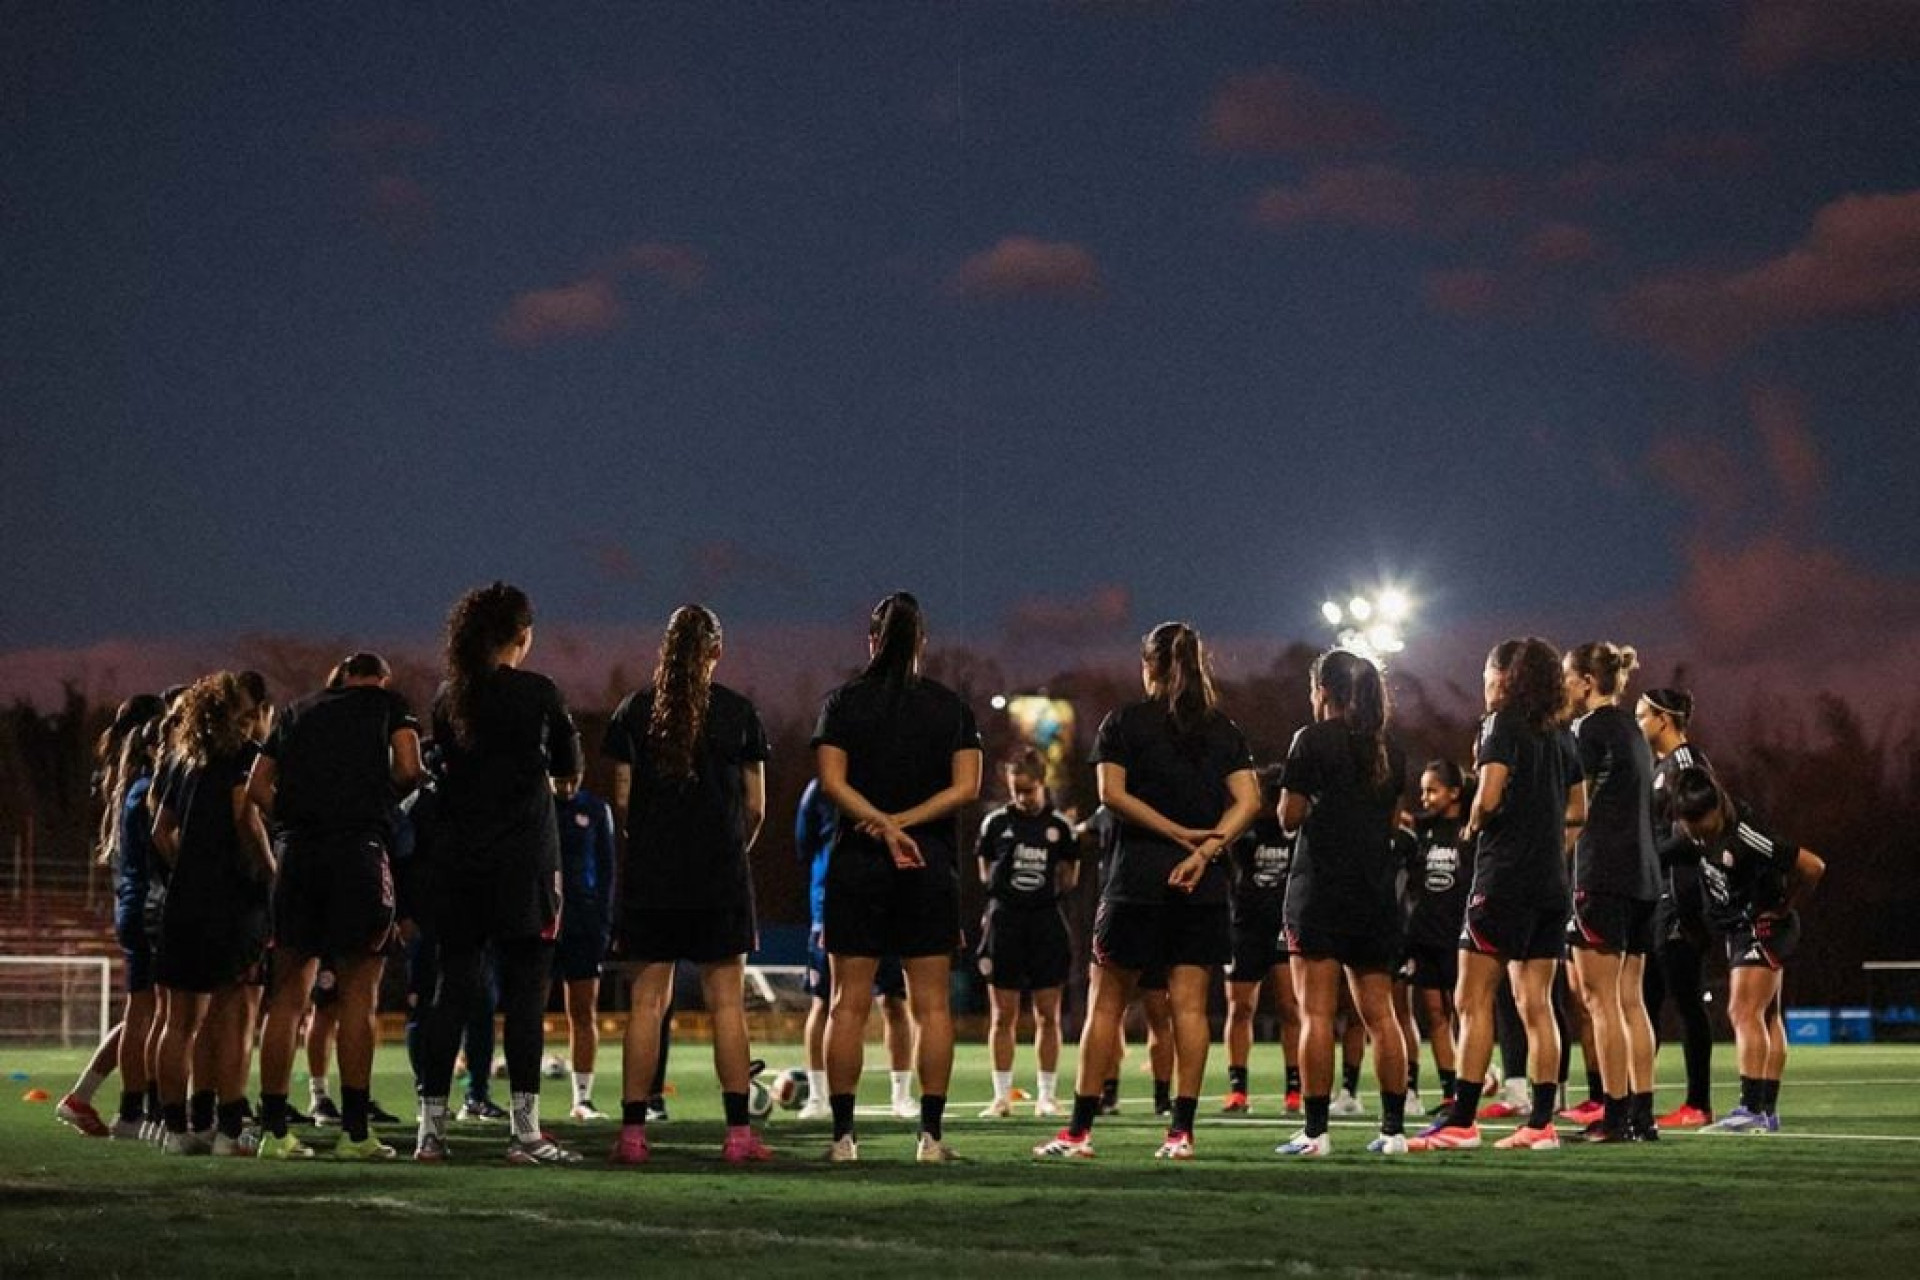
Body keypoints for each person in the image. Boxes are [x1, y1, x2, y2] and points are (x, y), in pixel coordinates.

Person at [1036, 621, 1259, 1161]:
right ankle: (1180, 1134)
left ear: (1150, 665)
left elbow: (1109, 794)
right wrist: (1203, 850)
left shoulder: (1124, 723)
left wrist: (1172, 834)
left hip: (1135, 879)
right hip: (1200, 882)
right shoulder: (1223, 729)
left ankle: (1078, 1133)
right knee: (1189, 1010)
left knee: (1105, 1007)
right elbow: (1249, 803)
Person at [414, 582, 583, 1165]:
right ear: (522, 635)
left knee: (451, 994)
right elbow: (569, 769)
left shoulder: (447, 696)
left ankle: (429, 1134)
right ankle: (525, 1133)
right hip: (524, 864)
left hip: (460, 865)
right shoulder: (538, 692)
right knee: (526, 1000)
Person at [814, 592, 983, 1163]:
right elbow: (967, 787)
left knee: (847, 1004)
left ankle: (843, 1139)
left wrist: (882, 824)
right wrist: (906, 824)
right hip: (927, 862)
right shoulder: (949, 707)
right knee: (931, 1006)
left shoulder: (843, 703)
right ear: (921, 645)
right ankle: (930, 1139)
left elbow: (832, 783)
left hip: (858, 863)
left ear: (871, 640)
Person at [603, 604, 774, 1166]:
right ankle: (737, 1135)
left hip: (653, 875)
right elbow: (756, 808)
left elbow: (624, 801)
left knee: (647, 1005)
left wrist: (656, 845)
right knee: (728, 1006)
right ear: (716, 652)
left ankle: (632, 1135)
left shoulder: (633, 712)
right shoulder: (739, 712)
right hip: (720, 875)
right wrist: (728, 852)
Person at [248, 651, 421, 1160]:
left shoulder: (298, 709)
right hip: (357, 852)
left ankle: (275, 1131)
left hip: (297, 854)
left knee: (287, 996)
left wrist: (296, 818)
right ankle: (354, 1132)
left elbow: (258, 786)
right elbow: (410, 768)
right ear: (380, 679)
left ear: (340, 678)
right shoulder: (390, 704)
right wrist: (374, 802)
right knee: (358, 997)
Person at [1413, 637, 1584, 1152]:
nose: (1484, 683)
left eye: (1488, 673)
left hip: (1503, 878)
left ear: (1504, 678)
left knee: (1471, 997)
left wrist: (1472, 825)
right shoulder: (1562, 734)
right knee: (1537, 1005)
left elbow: (1486, 796)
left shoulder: (1500, 723)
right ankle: (1541, 1123)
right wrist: (1550, 848)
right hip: (1551, 883)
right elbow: (1579, 811)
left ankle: (1462, 1121)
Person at [1274, 649, 1411, 1157]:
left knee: (1316, 1015)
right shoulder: (1391, 748)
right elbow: (1394, 823)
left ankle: (1315, 1134)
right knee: (1382, 1016)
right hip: (1375, 894)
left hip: (1321, 892)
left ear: (1324, 691)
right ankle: (1394, 1132)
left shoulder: (1311, 740)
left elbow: (1288, 818)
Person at [151, 672, 275, 1156]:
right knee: (233, 1015)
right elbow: (246, 815)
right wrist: (269, 870)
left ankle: (178, 1129)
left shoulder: (179, 760)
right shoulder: (243, 758)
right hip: (232, 903)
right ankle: (227, 1130)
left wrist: (188, 867)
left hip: (183, 901)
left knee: (179, 1021)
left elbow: (161, 829)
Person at [1672, 769, 1826, 1133]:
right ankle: (1767, 1112)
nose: (1694, 830)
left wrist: (1784, 907)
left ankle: (1751, 1109)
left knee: (1743, 1010)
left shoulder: (1744, 835)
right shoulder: (1693, 831)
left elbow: (1813, 866)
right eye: (1686, 822)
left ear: (1717, 810)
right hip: (1741, 928)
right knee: (1767, 1016)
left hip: (1764, 926)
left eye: (1700, 821)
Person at [1562, 642, 1661, 1142]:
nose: (1562, 686)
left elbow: (1574, 803)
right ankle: (1643, 1116)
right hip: (1645, 876)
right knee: (1630, 1000)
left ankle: (1615, 1116)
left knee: (1600, 1001)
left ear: (1584, 680)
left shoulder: (1586, 729)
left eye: (1566, 676)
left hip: (1602, 874)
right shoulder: (1635, 731)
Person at [59, 696, 168, 1140]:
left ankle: (84, 1096)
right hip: (146, 903)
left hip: (130, 900)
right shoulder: (144, 783)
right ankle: (140, 1110)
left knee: (142, 1011)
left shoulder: (119, 780)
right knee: (153, 1013)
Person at [795, 778, 919, 1122]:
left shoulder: (884, 776)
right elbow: (805, 846)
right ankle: (818, 1097)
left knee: (894, 1000)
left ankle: (902, 1095)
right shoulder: (820, 791)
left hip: (889, 900)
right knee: (826, 1002)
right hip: (831, 907)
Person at [975, 748, 1079, 1119]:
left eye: (1028, 790)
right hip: (1005, 922)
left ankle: (1047, 1096)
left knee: (1047, 1014)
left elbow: (1071, 875)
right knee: (1002, 1015)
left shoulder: (1061, 828)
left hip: (1046, 922)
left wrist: (1044, 893)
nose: (1021, 797)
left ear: (1042, 785)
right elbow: (984, 869)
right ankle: (1001, 1096)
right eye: (1015, 790)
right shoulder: (995, 824)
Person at [1636, 688, 1718, 1128]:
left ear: (1664, 719)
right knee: (1645, 1000)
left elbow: (1697, 830)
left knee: (1685, 1000)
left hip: (1681, 897)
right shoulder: (1658, 768)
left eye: (1642, 715)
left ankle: (1698, 1103)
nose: (1638, 723)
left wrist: (1646, 855)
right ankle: (1637, 1098)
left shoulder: (1688, 764)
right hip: (1656, 898)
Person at [1221, 765, 1300, 1116]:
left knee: (1290, 1009)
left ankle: (1295, 1090)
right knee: (1240, 1009)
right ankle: (1238, 1090)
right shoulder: (1244, 828)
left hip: (1284, 927)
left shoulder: (1296, 830)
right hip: (1246, 927)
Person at [1399, 760, 1474, 1115]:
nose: (1425, 797)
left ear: (1455, 792)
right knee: (1434, 1013)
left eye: (1433, 790)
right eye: (1423, 790)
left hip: (1458, 933)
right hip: (1425, 933)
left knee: (1462, 1012)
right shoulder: (1420, 831)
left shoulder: (1469, 830)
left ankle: (1468, 1085)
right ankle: (1448, 1092)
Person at [553, 775, 616, 1121]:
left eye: (572, 776)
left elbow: (607, 871)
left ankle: (582, 1099)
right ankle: (524, 1099)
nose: (566, 784)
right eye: (560, 777)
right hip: (541, 919)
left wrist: (604, 922)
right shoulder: (537, 805)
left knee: (583, 1010)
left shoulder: (594, 809)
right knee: (528, 1010)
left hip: (583, 923)